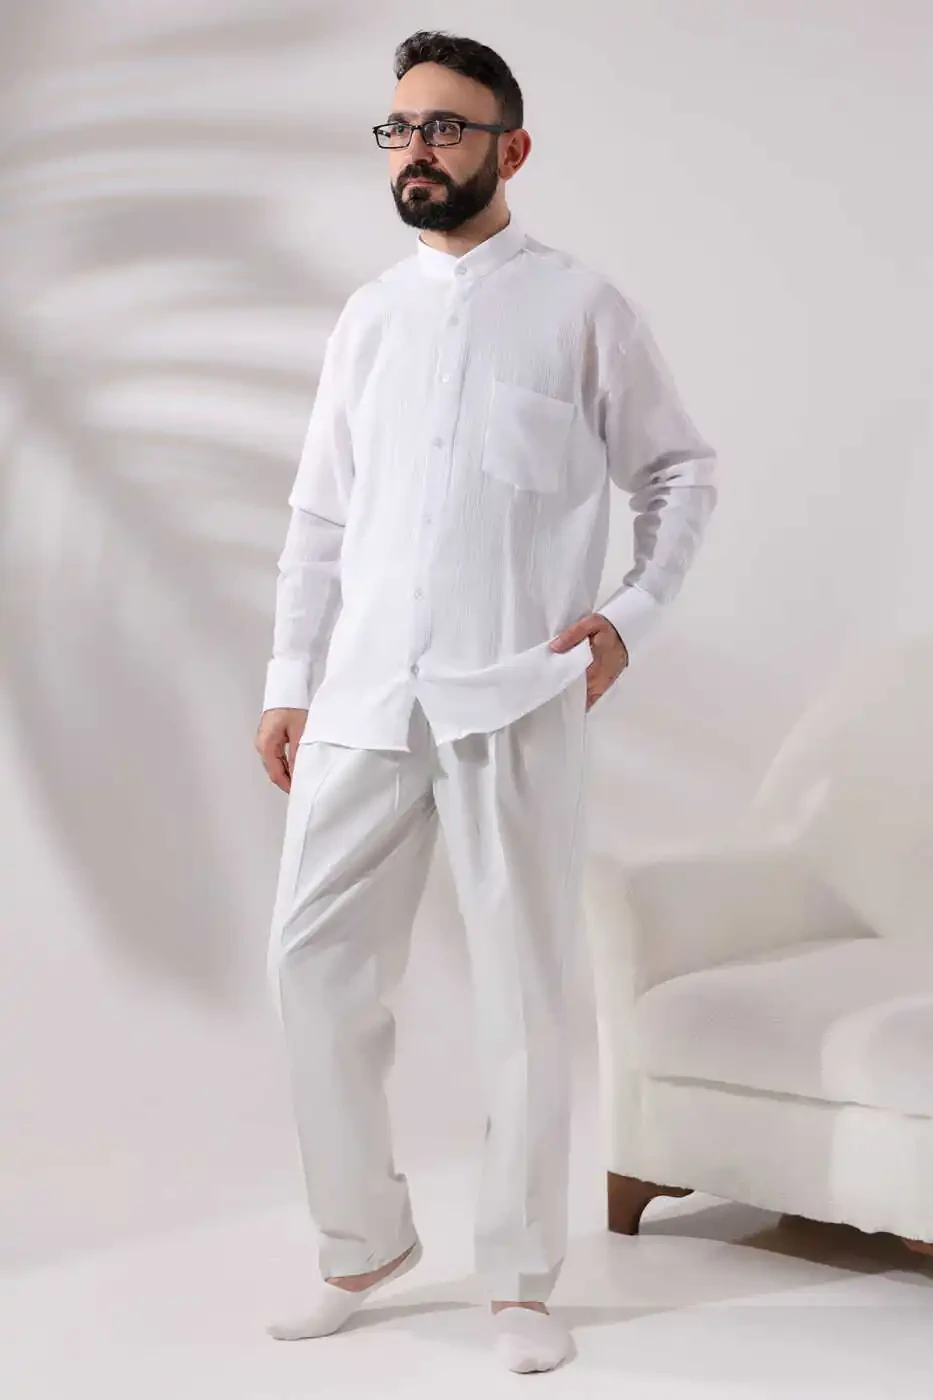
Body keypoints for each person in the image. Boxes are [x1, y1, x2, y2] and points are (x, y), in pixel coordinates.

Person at [255, 29, 717, 1375]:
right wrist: (289, 679)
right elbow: (319, 517)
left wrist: (627, 618)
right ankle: (362, 1243)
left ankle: (520, 1280)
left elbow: (681, 471)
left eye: (447, 128)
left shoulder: (581, 309)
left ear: (511, 148)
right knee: (309, 966)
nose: (418, 149)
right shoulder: (367, 317)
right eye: (401, 128)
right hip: (360, 698)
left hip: (512, 693)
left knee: (520, 991)